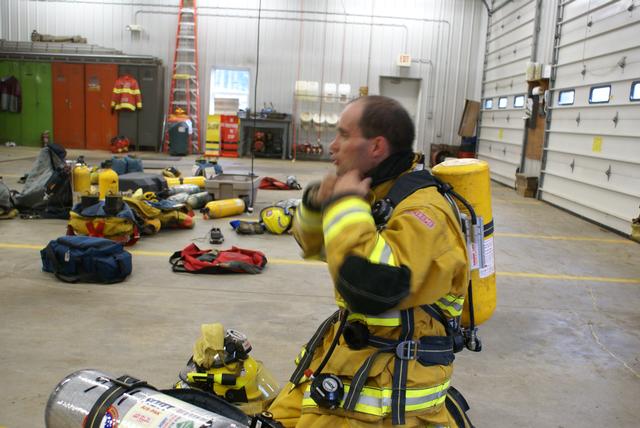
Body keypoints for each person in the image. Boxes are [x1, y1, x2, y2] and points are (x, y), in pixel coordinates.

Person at [268, 96, 473, 427]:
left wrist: (347, 205)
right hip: (349, 368)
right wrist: (318, 203)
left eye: (344, 135)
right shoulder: (380, 192)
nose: (332, 146)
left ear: (376, 147)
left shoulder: (425, 213)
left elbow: (371, 286)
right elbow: (317, 246)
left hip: (388, 396)